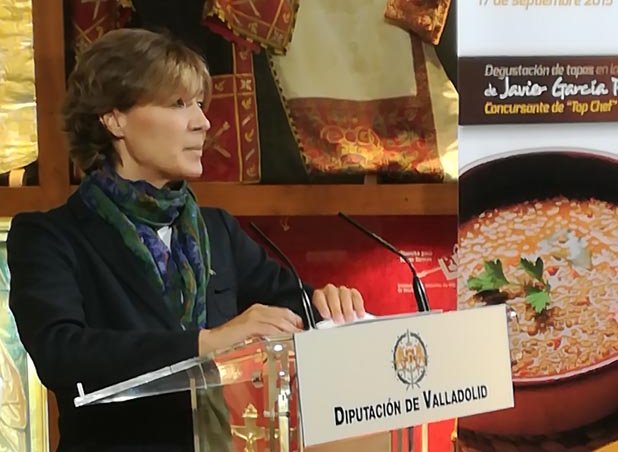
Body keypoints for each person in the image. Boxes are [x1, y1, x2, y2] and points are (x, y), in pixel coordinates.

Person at [7, 29, 366, 451]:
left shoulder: (218, 230)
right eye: (178, 104)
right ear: (114, 117)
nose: (203, 121)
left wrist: (332, 307)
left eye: (199, 103)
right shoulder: (51, 236)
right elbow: (61, 352)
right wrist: (205, 344)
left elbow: (295, 307)